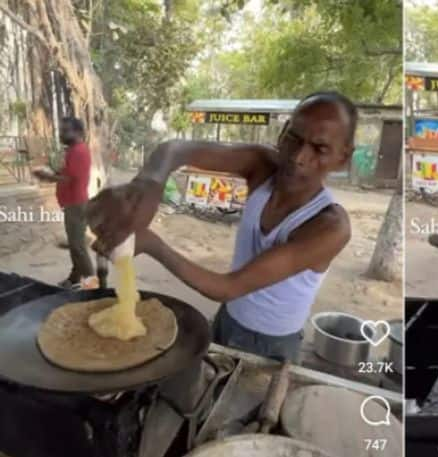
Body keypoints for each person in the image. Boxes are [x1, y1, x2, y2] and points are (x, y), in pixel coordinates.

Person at [87, 92, 355, 362]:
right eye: (294, 138)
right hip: (227, 319)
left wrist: (150, 243)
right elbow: (173, 150)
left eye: (319, 149)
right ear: (283, 133)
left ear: (343, 158)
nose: (299, 156)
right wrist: (148, 183)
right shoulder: (262, 166)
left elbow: (228, 287)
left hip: (273, 346)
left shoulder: (329, 227)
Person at [33, 117, 95, 289]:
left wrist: (47, 177)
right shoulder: (74, 150)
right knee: (76, 245)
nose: (62, 134)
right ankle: (75, 278)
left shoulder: (78, 151)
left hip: (76, 205)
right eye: (61, 130)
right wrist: (52, 172)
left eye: (66, 130)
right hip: (73, 204)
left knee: (78, 247)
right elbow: (66, 172)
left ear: (78, 132)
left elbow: (69, 178)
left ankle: (93, 287)